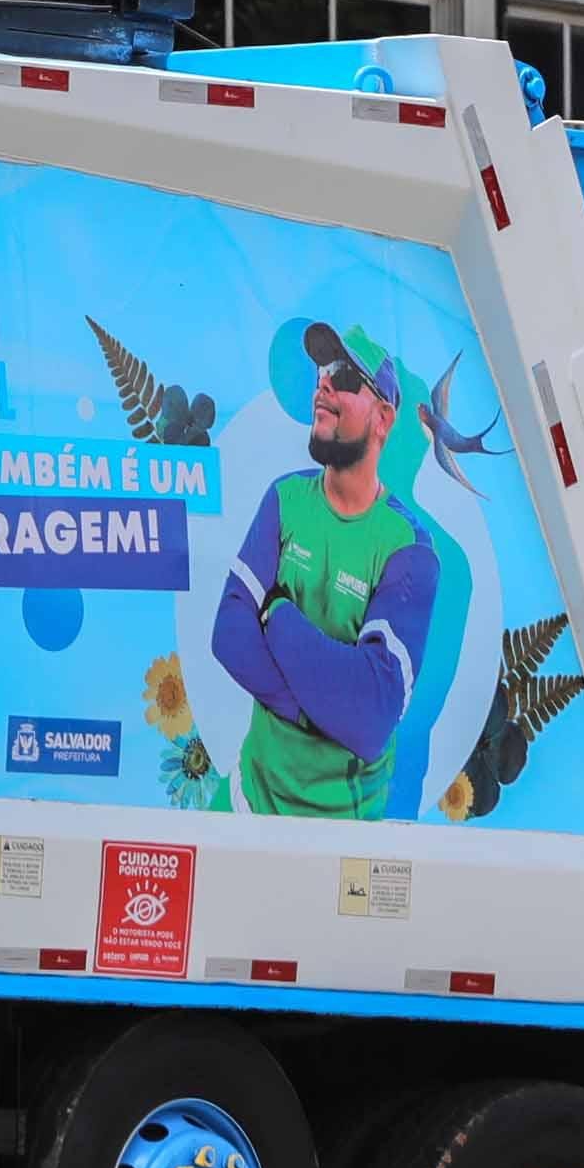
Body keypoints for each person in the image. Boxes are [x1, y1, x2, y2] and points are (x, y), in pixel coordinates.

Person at [210, 322, 461, 819]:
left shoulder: (409, 549)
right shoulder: (284, 499)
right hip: (246, 796)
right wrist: (317, 707)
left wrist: (278, 613)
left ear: (384, 418)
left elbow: (368, 713)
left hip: (341, 833)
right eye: (321, 372)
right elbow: (229, 633)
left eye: (344, 375)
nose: (322, 384)